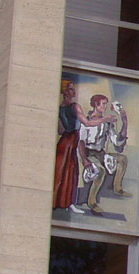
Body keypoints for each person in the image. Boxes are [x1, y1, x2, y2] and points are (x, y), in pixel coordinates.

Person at [54, 80, 113, 212]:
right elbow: (87, 123)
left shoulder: (60, 108)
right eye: (70, 89)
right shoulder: (75, 107)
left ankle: (62, 203)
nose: (73, 92)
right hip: (72, 139)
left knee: (63, 171)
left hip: (65, 141)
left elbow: (60, 130)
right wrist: (105, 119)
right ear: (64, 92)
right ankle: (67, 203)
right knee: (69, 171)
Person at [78, 95, 128, 214]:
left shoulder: (107, 123)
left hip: (101, 154)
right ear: (96, 105)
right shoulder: (87, 121)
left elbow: (116, 140)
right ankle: (92, 201)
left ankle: (118, 188)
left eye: (106, 104)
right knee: (100, 171)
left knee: (122, 159)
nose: (105, 106)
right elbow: (81, 142)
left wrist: (125, 121)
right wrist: (85, 160)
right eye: (103, 104)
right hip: (89, 153)